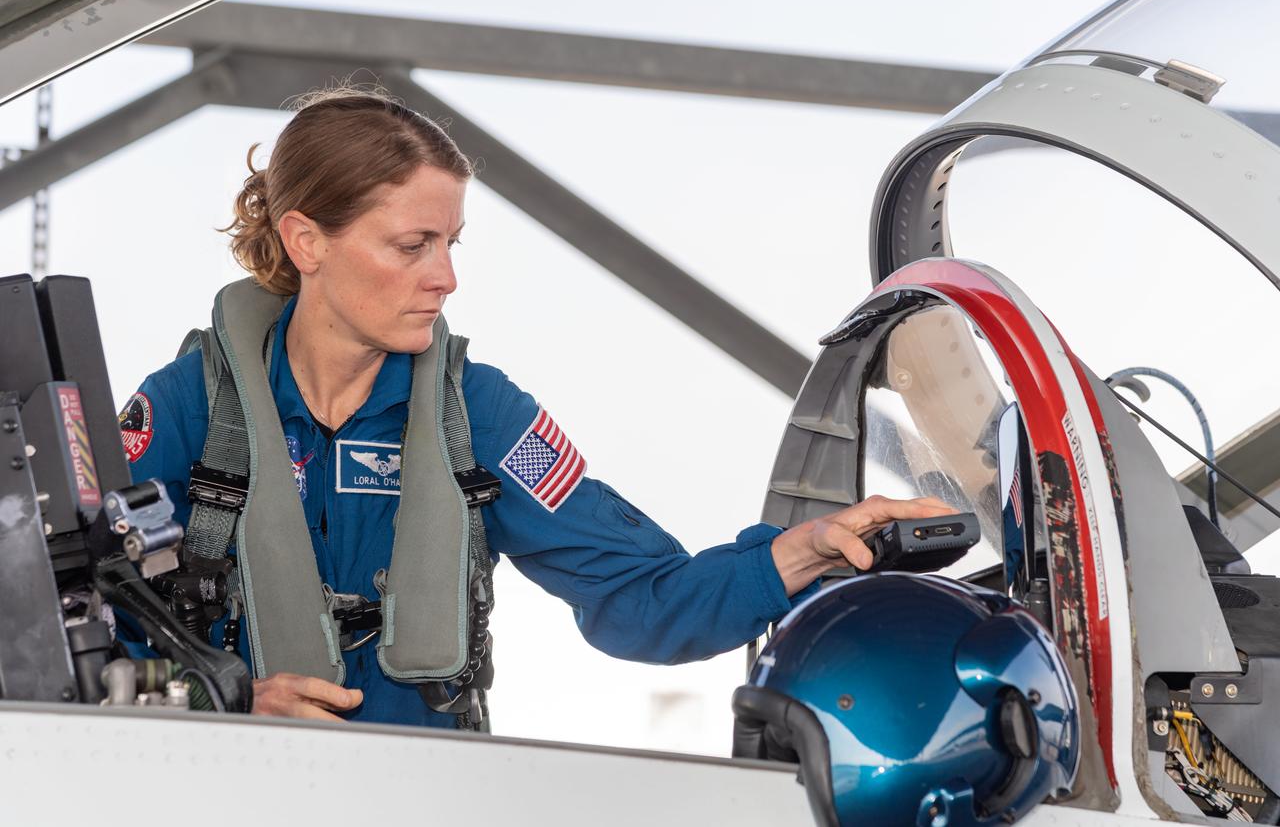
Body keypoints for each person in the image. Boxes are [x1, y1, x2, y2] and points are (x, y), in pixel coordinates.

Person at [120, 87, 952, 728]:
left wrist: (798, 555)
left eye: (452, 243)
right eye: (413, 245)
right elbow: (75, 619)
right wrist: (217, 701)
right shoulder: (190, 408)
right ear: (307, 241)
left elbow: (642, 598)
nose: (446, 278)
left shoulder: (478, 414)